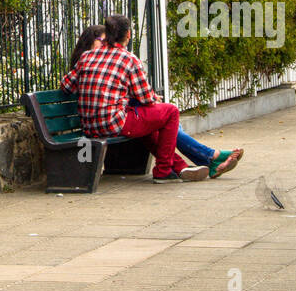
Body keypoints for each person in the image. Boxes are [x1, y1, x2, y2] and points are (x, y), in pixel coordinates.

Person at [61, 25, 243, 179]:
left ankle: (183, 166)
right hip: (111, 120)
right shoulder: (90, 60)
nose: (105, 44)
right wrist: (149, 98)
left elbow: (70, 86)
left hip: (107, 118)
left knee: (157, 118)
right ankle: (202, 159)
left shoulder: (93, 60)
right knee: (166, 113)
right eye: (101, 40)